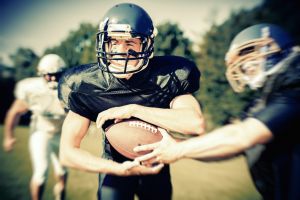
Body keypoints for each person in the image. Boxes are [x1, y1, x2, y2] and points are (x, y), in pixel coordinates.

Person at [134, 23, 300, 200]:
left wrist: (179, 150)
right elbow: (230, 147)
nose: (246, 66)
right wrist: (177, 144)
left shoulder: (294, 86)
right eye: (242, 61)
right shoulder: (262, 103)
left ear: (275, 46)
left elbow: (243, 136)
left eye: (250, 56)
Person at [58, 3, 205, 200]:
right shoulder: (85, 84)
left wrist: (133, 110)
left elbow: (194, 123)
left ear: (147, 44)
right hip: (114, 166)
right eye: (114, 43)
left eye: (130, 43)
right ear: (104, 44)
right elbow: (67, 152)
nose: (120, 51)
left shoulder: (170, 75)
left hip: (156, 164)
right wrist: (117, 169)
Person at [3, 54, 68, 200]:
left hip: (61, 133)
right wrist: (8, 136)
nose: (52, 79)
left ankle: (61, 189)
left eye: (56, 74)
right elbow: (14, 112)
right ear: (42, 74)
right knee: (40, 173)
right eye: (48, 75)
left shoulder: (70, 88)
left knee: (62, 170)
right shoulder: (33, 89)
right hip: (41, 132)